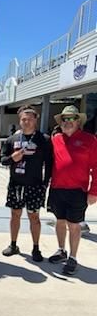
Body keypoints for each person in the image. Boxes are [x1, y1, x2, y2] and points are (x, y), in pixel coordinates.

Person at [48, 105, 97, 274]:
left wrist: (94, 191)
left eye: (71, 118)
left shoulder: (90, 140)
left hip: (78, 191)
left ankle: (73, 257)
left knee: (74, 225)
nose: (67, 122)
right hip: (57, 189)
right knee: (59, 221)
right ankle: (61, 250)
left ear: (78, 121)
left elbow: (96, 167)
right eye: (64, 119)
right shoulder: (55, 140)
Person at [0, 105, 53, 261]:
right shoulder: (12, 140)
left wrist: (45, 184)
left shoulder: (44, 140)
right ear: (20, 120)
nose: (27, 122)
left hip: (35, 185)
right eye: (24, 119)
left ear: (35, 120)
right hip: (16, 184)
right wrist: (12, 158)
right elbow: (3, 160)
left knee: (34, 217)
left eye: (30, 119)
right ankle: (13, 244)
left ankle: (36, 248)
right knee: (15, 215)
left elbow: (49, 163)